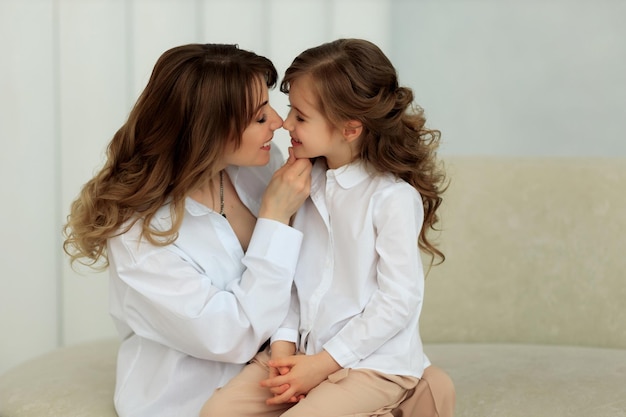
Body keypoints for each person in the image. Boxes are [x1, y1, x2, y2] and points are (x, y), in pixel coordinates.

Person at [201, 38, 455, 417]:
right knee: (216, 413)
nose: (285, 124)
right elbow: (286, 278)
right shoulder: (302, 184)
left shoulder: (391, 199)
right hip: (304, 353)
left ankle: (416, 393)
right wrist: (285, 348)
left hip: (370, 365)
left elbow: (398, 301)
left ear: (350, 129)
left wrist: (323, 364)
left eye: (300, 117)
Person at [62, 43, 312, 417]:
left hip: (284, 378)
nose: (278, 122)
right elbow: (231, 336)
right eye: (259, 118)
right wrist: (275, 218)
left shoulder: (263, 166)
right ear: (208, 131)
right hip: (191, 402)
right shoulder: (139, 233)